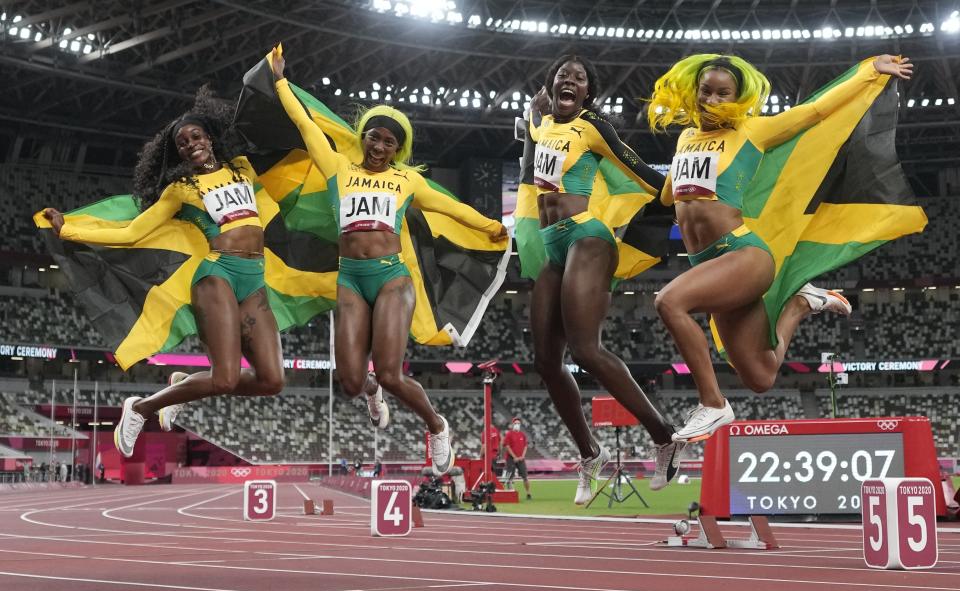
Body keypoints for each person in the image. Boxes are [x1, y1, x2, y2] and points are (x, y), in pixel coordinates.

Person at [648, 54, 914, 443]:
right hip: (712, 265)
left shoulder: (752, 132)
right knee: (760, 376)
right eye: (707, 91)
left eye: (724, 94)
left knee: (668, 302)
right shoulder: (686, 138)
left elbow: (815, 111)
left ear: (738, 99)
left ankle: (713, 404)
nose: (713, 100)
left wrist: (868, 71)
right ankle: (801, 305)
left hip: (742, 255)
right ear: (695, 92)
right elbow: (670, 194)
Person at [270, 46, 506, 476]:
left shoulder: (407, 180)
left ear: (399, 148)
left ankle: (437, 426)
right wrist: (281, 81)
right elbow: (305, 125)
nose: (380, 146)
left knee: (395, 375)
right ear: (363, 136)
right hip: (350, 280)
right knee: (350, 382)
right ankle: (371, 389)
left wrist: (491, 225)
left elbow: (451, 210)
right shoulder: (337, 167)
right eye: (374, 137)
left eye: (389, 142)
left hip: (392, 280)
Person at [42, 89, 285, 458]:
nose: (190, 144)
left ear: (210, 138)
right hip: (217, 276)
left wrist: (277, 86)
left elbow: (279, 149)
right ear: (178, 153)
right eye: (182, 143)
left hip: (254, 280)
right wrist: (67, 230)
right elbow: (132, 233)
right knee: (225, 378)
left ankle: (186, 385)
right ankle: (141, 408)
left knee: (271, 380)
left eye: (196, 136)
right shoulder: (181, 190)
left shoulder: (242, 169)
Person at [527, 54, 682, 504]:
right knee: (544, 362)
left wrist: (686, 195)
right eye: (562, 75)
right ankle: (589, 453)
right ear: (552, 85)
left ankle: (664, 435)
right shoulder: (542, 126)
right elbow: (536, 122)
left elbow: (641, 172)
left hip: (587, 237)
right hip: (551, 243)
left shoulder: (594, 127)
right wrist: (535, 109)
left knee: (586, 350)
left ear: (588, 93)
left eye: (578, 78)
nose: (569, 80)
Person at [502, 417, 532, 499]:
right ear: (512, 424)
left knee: (525, 477)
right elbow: (507, 447)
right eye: (515, 423)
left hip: (521, 459)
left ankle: (528, 493)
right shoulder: (509, 434)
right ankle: (511, 493)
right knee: (510, 477)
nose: (517, 425)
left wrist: (523, 456)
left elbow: (525, 446)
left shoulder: (522, 435)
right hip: (511, 459)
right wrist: (514, 457)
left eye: (518, 423)